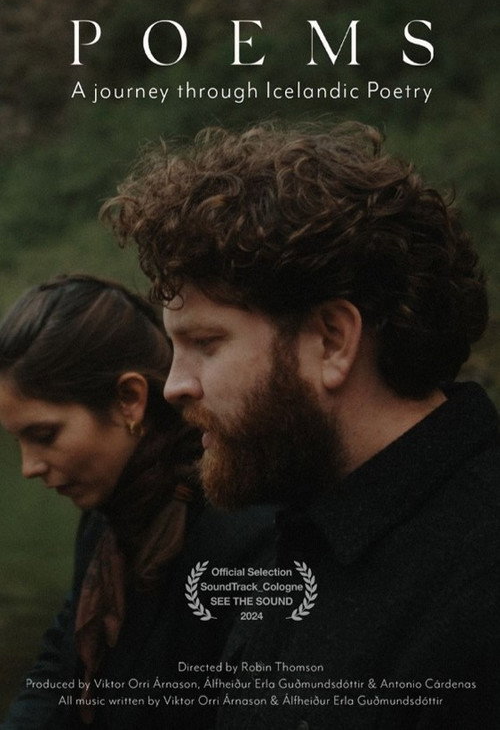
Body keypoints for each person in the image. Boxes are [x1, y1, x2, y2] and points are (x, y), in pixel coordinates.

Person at [102, 122, 500, 729]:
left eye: (206, 343)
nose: (175, 386)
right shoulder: (302, 519)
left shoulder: (479, 577)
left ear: (331, 340)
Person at [0, 274, 275, 730]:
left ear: (130, 399)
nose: (29, 467)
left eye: (44, 435)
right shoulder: (108, 520)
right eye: (18, 441)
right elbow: (58, 668)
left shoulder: (238, 528)